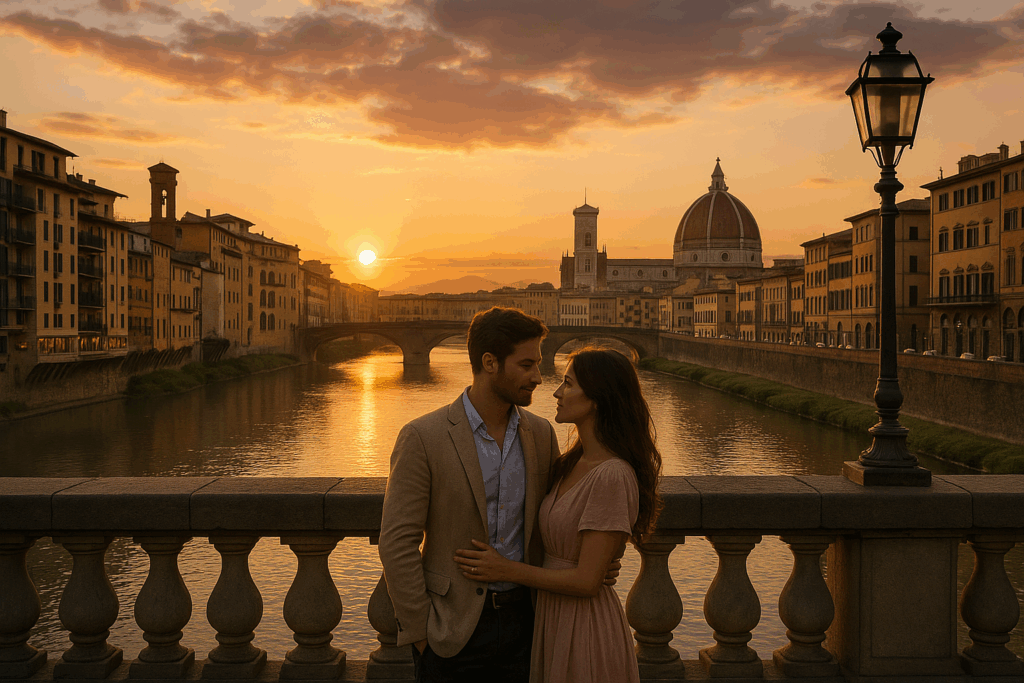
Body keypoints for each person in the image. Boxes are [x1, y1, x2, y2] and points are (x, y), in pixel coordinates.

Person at [380, 307, 618, 683]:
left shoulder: (541, 435)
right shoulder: (423, 436)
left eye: (538, 364)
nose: (539, 378)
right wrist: (422, 631)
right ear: (489, 363)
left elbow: (556, 519)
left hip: (529, 623)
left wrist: (593, 562)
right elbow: (397, 541)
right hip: (450, 632)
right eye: (526, 365)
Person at [454, 347, 663, 683]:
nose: (555, 391)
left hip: (585, 625)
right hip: (551, 616)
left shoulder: (612, 474)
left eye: (568, 384)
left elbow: (586, 581)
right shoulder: (571, 462)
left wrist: (505, 569)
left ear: (597, 398)